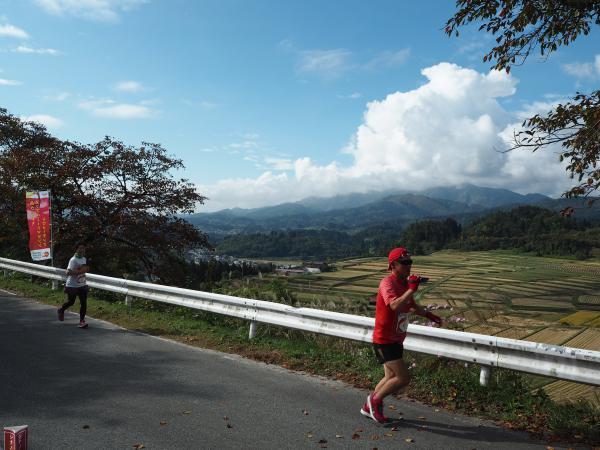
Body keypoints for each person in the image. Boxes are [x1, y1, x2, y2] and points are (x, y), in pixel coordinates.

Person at [361, 247, 442, 424]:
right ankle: (374, 402)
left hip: (397, 338)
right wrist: (412, 289)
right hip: (384, 340)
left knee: (390, 377)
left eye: (410, 262)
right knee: (403, 378)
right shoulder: (387, 283)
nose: (409, 266)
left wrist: (428, 315)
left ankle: (369, 407)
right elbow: (395, 306)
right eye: (404, 263)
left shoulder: (405, 283)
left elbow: (411, 305)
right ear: (393, 265)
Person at [57, 243, 90, 328]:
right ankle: (61, 310)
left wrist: (84, 270)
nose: (82, 250)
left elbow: (83, 269)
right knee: (71, 302)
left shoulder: (84, 259)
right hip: (72, 285)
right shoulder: (73, 260)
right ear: (76, 249)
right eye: (80, 248)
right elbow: (67, 272)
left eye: (83, 248)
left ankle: (82, 321)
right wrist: (79, 271)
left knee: (84, 303)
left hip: (82, 284)